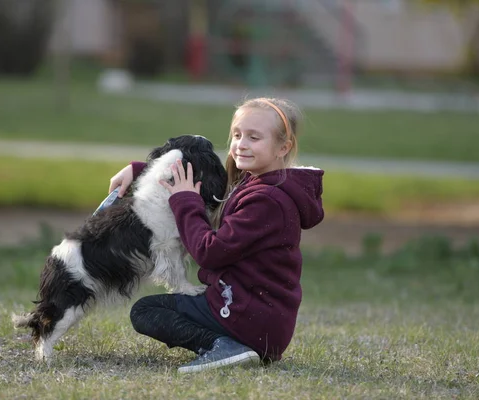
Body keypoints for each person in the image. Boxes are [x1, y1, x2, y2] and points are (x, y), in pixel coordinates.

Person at [108, 97, 325, 373]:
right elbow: (211, 187)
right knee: (151, 308)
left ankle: (224, 346)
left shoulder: (268, 201)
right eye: (237, 135)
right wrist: (139, 170)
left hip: (248, 317)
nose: (241, 144)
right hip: (253, 314)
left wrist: (186, 201)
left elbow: (209, 253)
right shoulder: (255, 182)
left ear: (284, 147)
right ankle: (233, 345)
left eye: (254, 137)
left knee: (145, 312)